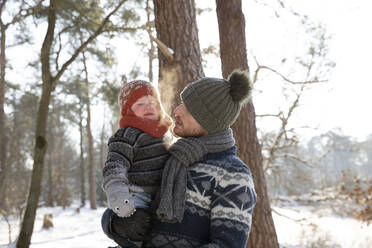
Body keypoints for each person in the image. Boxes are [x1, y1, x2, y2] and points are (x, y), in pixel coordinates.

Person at [143, 70, 257, 248]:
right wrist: (114, 222)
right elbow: (129, 203)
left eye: (189, 108)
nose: (177, 110)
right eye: (182, 102)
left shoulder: (233, 174)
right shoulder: (170, 158)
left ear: (209, 120)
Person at [101, 80, 173, 248]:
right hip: (136, 195)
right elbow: (115, 165)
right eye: (141, 104)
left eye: (152, 103)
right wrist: (117, 194)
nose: (148, 107)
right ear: (128, 109)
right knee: (136, 233)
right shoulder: (127, 135)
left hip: (162, 196)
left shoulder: (167, 133)